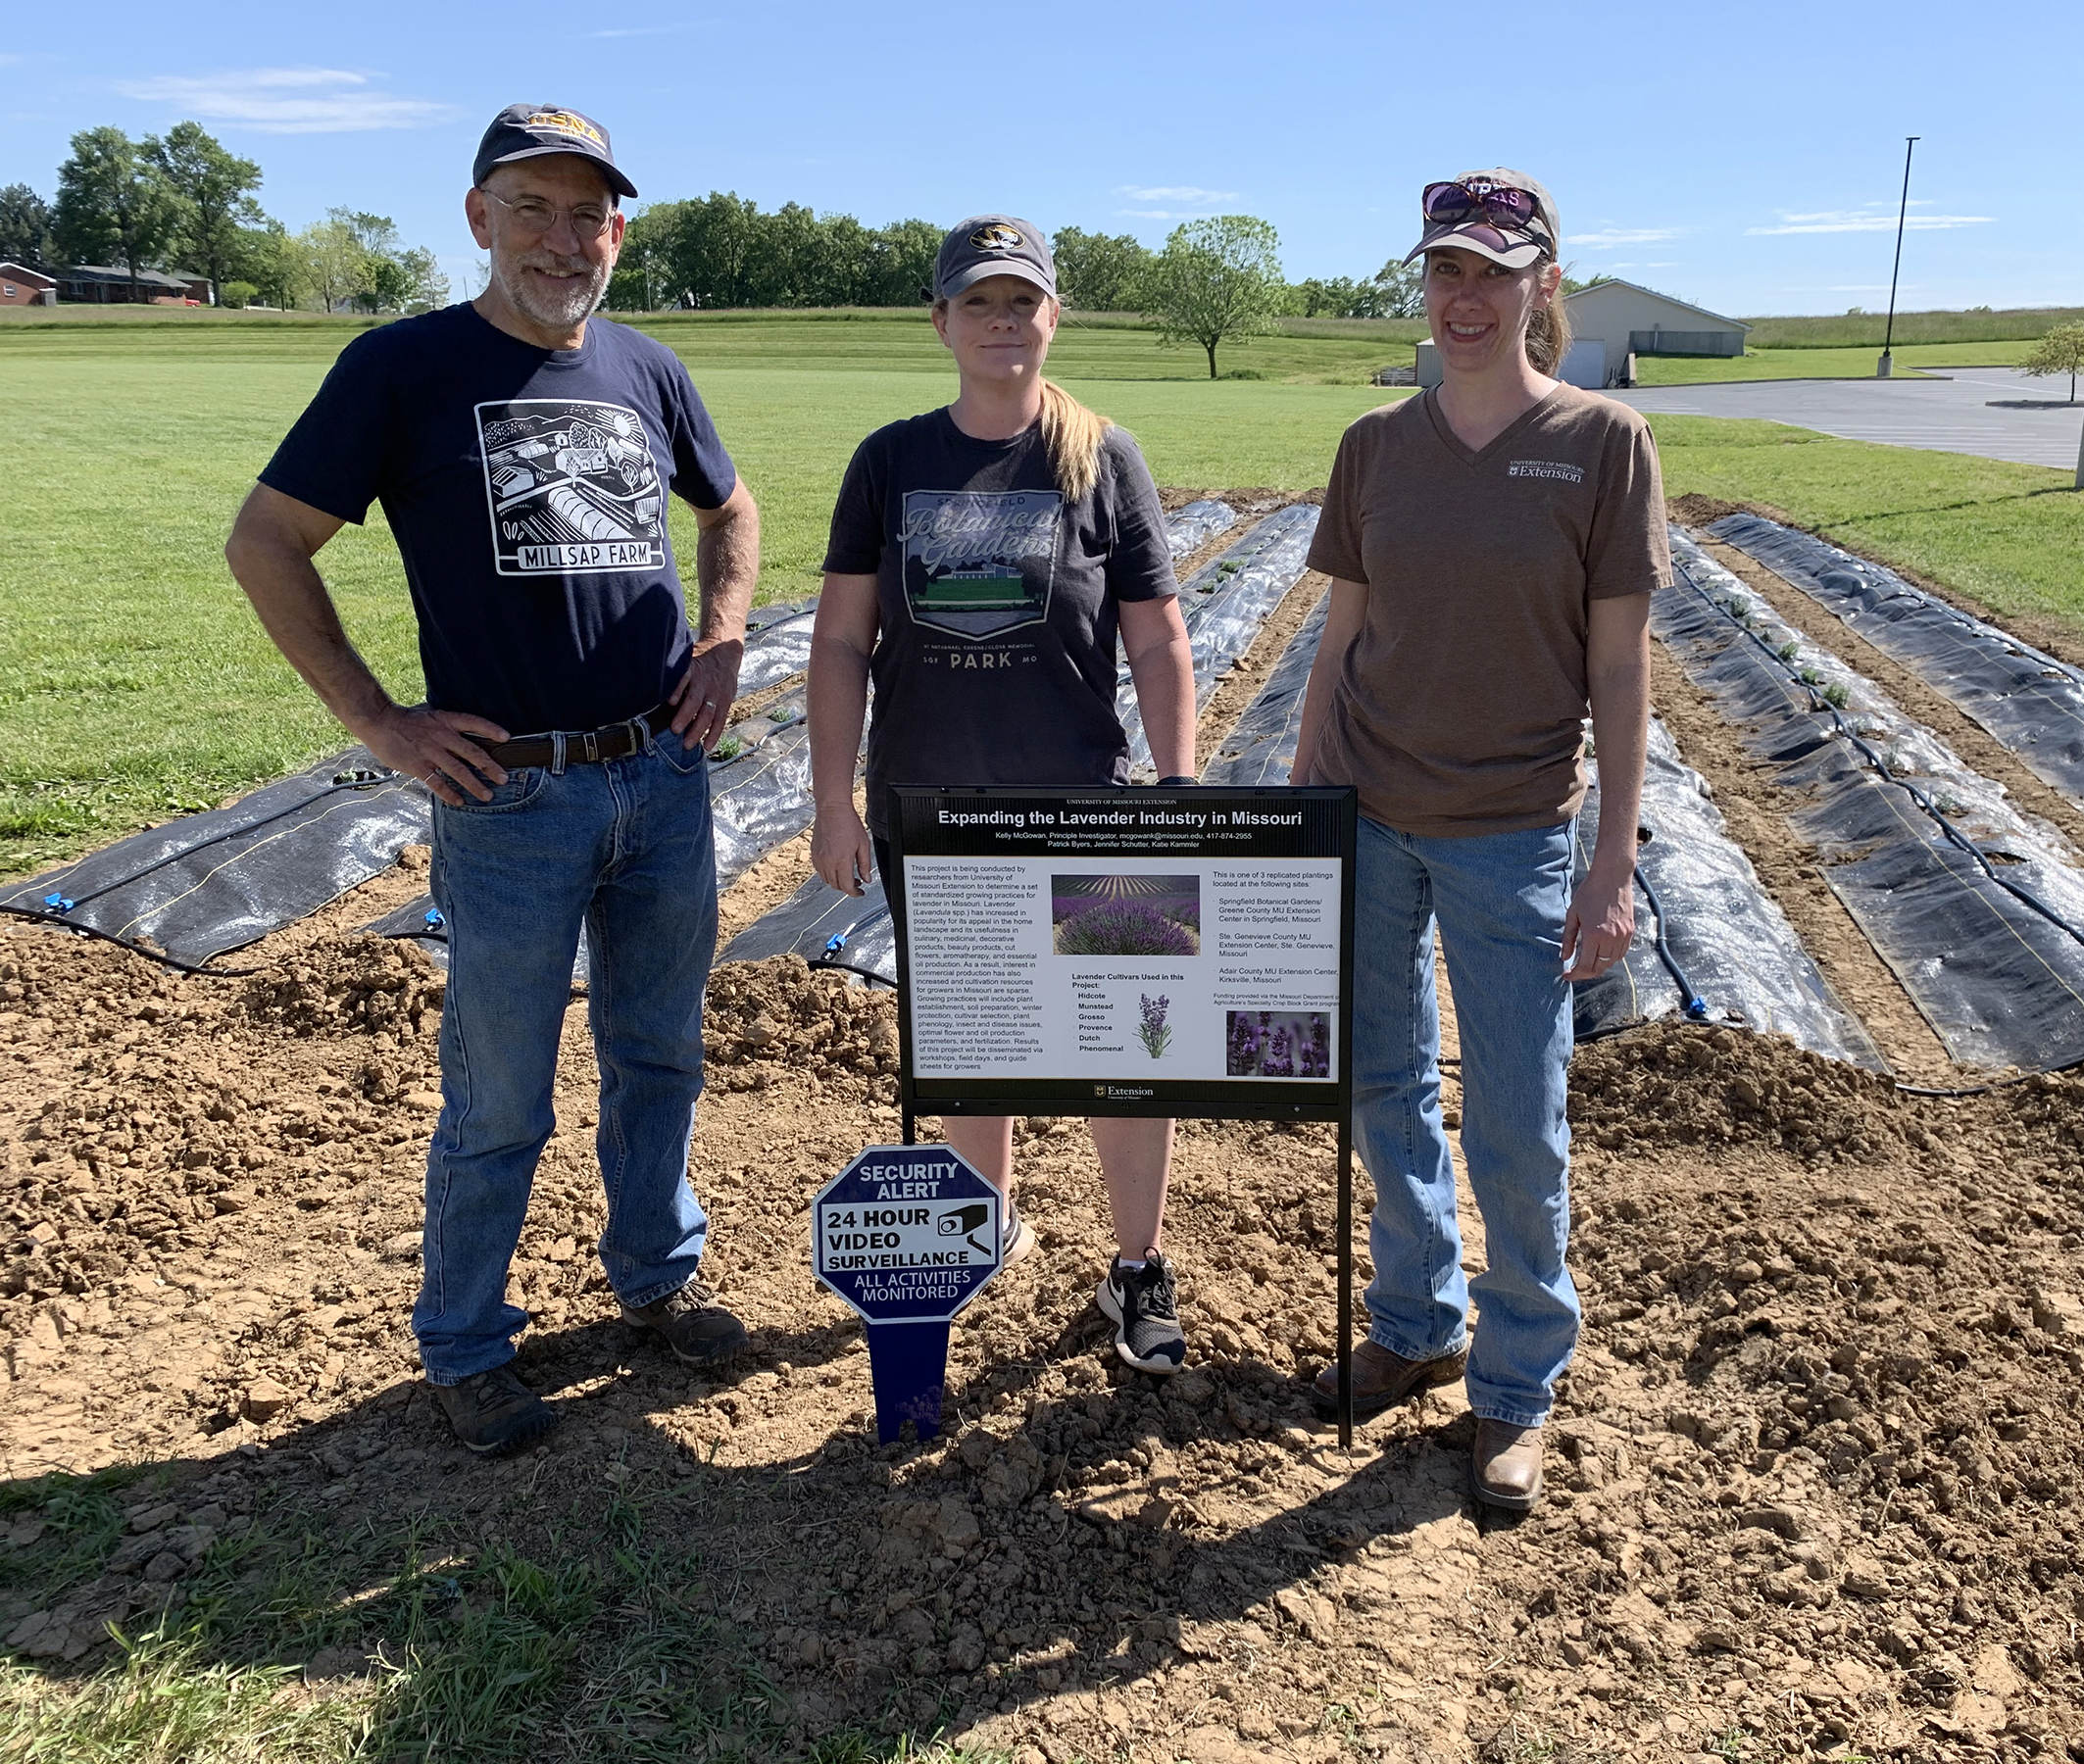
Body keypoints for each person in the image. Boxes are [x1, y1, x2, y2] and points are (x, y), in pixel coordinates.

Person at [223, 105, 764, 1455]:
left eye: (589, 215)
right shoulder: (402, 368)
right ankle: (466, 1342)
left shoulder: (648, 366)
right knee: (502, 1092)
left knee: (659, 1054)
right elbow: (267, 541)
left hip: (662, 772)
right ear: (478, 218)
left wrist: (722, 640)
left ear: (619, 233)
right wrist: (378, 718)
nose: (563, 238)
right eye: (532, 208)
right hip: (510, 798)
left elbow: (732, 509)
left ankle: (652, 1281)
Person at [1289, 170, 1664, 1510]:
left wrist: (1613, 862)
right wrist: (1304, 797)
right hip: (1374, 820)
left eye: (1493, 274)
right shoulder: (1375, 448)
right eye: (1445, 271)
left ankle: (1514, 1388)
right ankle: (1415, 1320)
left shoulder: (1602, 444)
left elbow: (1620, 674)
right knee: (1380, 1085)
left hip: (1516, 836)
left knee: (1519, 1118)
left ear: (1543, 284)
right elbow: (1338, 639)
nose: (1464, 297)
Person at [808, 217, 1199, 1374]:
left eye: (1020, 301)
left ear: (1051, 317)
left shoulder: (1100, 457)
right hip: (936, 809)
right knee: (979, 1047)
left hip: (1083, 804)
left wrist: (1175, 787)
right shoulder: (891, 460)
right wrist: (834, 801)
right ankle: (981, 1233)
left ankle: (1136, 1267)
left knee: (1128, 1044)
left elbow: (1160, 638)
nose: (1001, 322)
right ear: (940, 322)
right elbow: (837, 644)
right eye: (977, 303)